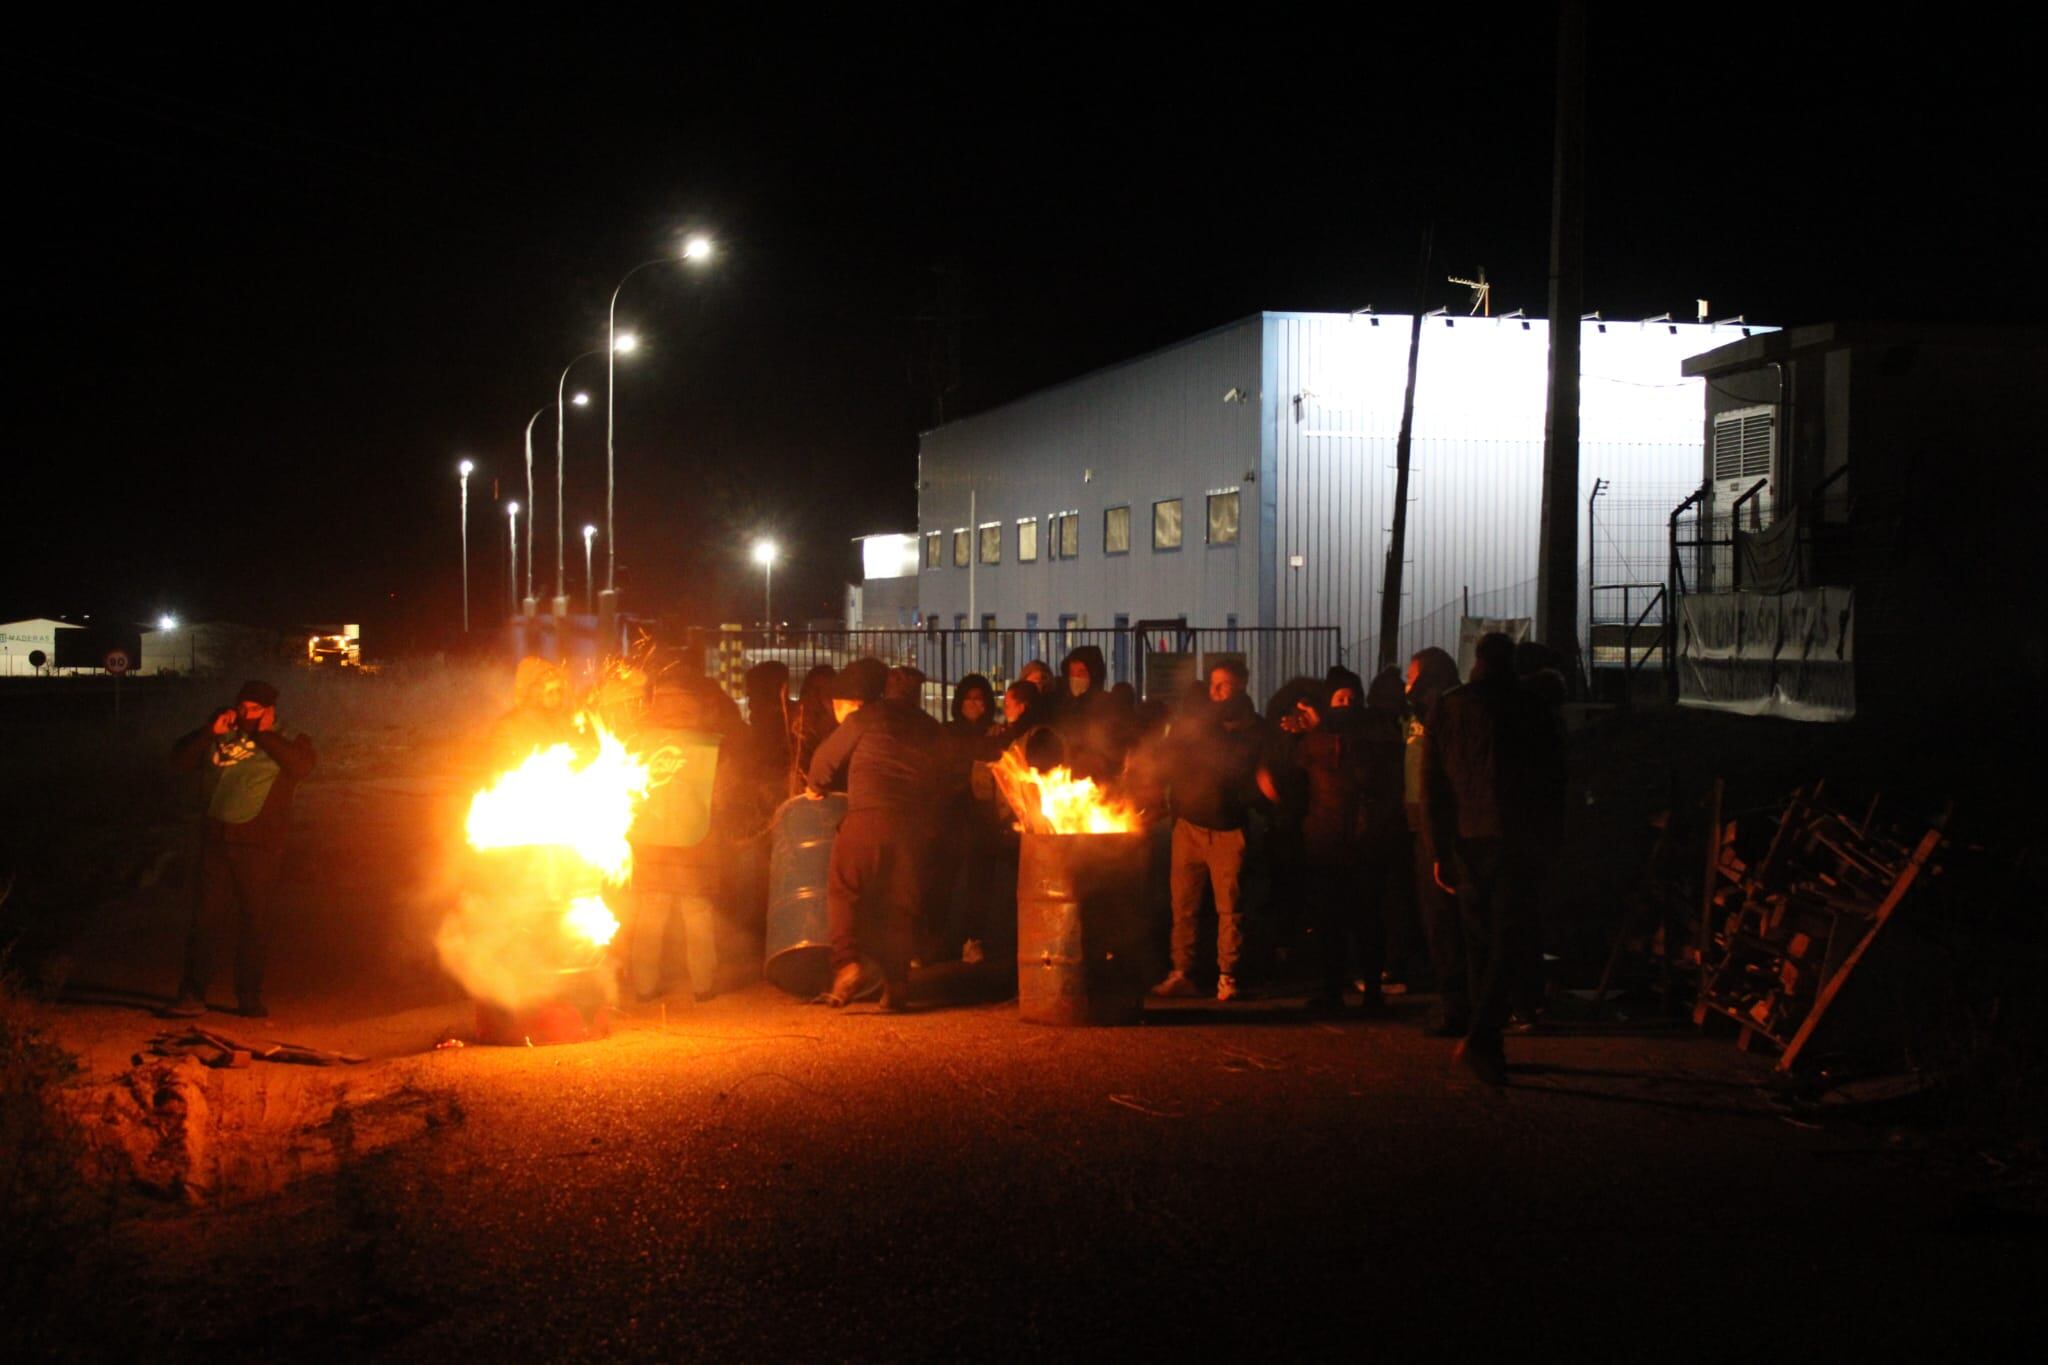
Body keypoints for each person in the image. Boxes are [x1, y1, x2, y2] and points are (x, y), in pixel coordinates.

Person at [1423, 632, 1566, 1086]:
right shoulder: (1531, 708)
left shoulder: (1448, 707)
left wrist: (1438, 847)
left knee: (1478, 939)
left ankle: (1482, 1036)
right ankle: (1486, 1036)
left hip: (1467, 839)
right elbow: (1553, 781)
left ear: (1477, 661)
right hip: (1516, 839)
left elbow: (1434, 786)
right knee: (1509, 937)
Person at [165, 681, 317, 1018]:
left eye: (256, 709)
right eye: (244, 707)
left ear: (270, 711)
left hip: (260, 844)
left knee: (254, 922)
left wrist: (265, 735)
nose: (247, 714)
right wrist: (207, 732)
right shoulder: (221, 733)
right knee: (205, 919)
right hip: (216, 841)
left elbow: (301, 767)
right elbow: (179, 762)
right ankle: (192, 994)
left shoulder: (289, 738)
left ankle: (248, 996)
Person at [806, 657, 940, 1010]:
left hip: (866, 819)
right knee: (900, 906)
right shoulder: (930, 726)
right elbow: (946, 774)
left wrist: (815, 785)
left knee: (844, 890)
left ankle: (848, 963)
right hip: (912, 828)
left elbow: (825, 759)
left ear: (886, 690)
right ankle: (896, 984)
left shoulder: (868, 716)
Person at [1151, 660, 1264, 1003]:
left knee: (1229, 908)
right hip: (1189, 826)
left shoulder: (1250, 727)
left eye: (1224, 685)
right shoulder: (1195, 723)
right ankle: (1181, 972)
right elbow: (1170, 759)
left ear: (1241, 687)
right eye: (1213, 684)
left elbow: (1250, 767)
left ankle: (1228, 976)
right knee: (1183, 906)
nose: (1215, 691)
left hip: (1228, 829)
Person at [625, 681, 731, 1003]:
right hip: (695, 842)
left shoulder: (638, 744)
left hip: (650, 842)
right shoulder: (709, 746)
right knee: (696, 910)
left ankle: (643, 985)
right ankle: (703, 985)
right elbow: (721, 798)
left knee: (651, 910)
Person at [1404, 646, 1464, 1035]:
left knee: (1446, 921)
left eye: (1413, 679)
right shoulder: (1415, 717)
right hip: (1421, 824)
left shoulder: (1451, 716)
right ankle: (1454, 1001)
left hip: (1443, 828)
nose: (1407, 687)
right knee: (1435, 921)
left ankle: (1458, 1008)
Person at [491, 656, 573, 767]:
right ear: (533, 693)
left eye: (559, 690)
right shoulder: (508, 728)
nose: (557, 697)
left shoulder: (562, 720)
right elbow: (502, 771)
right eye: (550, 692)